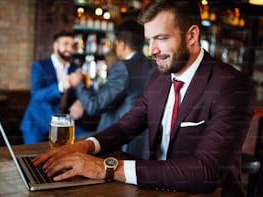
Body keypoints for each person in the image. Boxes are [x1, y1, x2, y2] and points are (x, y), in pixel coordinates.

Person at [32, 1, 256, 196]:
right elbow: (126, 127)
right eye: (150, 40)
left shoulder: (232, 86)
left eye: (161, 38)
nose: (152, 51)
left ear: (192, 35)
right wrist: (85, 146)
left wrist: (106, 168)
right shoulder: (159, 78)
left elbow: (206, 171)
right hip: (155, 189)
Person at [67, 19, 155, 158]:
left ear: (122, 44)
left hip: (117, 143)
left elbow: (94, 106)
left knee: (70, 141)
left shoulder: (124, 67)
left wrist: (78, 84)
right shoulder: (154, 66)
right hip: (144, 145)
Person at [20, 31, 83, 144]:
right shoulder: (39, 66)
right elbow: (37, 95)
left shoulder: (75, 68)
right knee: (34, 159)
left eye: (72, 45)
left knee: (87, 140)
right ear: (55, 45)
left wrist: (80, 102)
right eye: (65, 44)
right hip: (37, 125)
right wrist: (62, 86)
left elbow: (89, 89)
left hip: (63, 125)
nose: (69, 48)